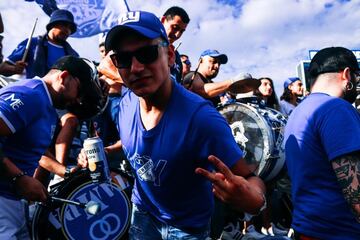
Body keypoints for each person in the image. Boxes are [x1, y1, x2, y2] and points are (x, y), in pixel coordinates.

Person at [78, 10, 266, 240]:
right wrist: (107, 151)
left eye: (147, 54)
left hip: (187, 229)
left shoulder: (202, 119)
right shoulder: (125, 104)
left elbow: (249, 178)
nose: (136, 68)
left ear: (169, 55)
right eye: (123, 60)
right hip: (143, 216)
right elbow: (139, 143)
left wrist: (254, 201)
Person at [0, 55, 100, 239]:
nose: (78, 100)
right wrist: (19, 179)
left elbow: (30, 150)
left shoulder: (46, 104)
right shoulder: (29, 95)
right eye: (80, 91)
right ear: (64, 77)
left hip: (14, 202)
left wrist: (66, 172)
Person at [284, 46, 360, 239]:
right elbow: (355, 193)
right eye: (357, 76)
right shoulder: (336, 107)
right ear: (347, 74)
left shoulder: (297, 113)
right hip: (341, 231)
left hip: (309, 227)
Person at [0, 9, 78, 78]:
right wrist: (14, 69)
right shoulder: (32, 43)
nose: (67, 30)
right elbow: (2, 67)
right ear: (52, 25)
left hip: (61, 94)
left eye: (70, 28)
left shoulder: (74, 56)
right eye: (64, 25)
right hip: (34, 92)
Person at [161, 6, 190, 84]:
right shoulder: (144, 42)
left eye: (182, 31)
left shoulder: (176, 56)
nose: (177, 35)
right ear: (163, 21)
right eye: (175, 27)